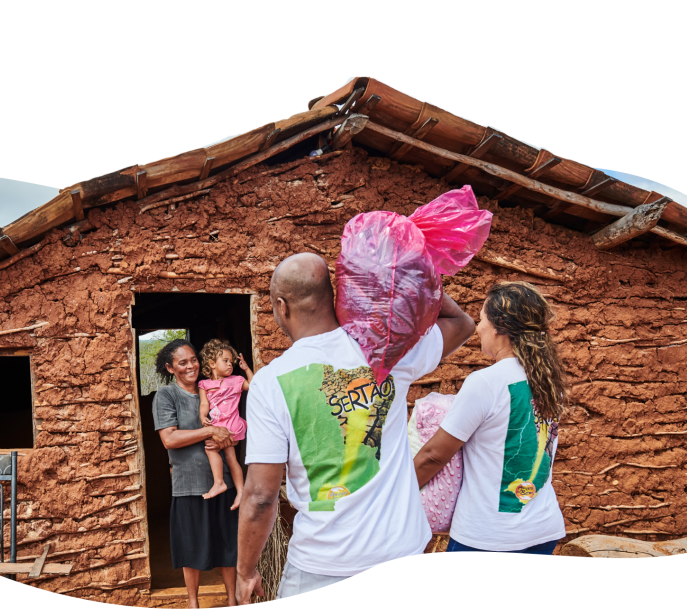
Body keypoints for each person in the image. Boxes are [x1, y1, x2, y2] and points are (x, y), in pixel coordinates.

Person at [236, 253, 476, 602]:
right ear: (332, 296)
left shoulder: (270, 383)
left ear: (281, 307)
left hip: (322, 565)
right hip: (402, 559)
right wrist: (415, 275)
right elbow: (461, 323)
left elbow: (260, 495)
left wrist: (246, 570)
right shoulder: (386, 350)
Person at [413, 281, 567, 554]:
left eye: (482, 319)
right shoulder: (548, 381)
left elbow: (434, 456)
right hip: (543, 529)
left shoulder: (486, 382)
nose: (479, 327)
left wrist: (393, 493)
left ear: (499, 326)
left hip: (489, 536)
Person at [151, 338, 239, 609]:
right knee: (191, 548)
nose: (191, 366)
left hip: (223, 481)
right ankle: (193, 605)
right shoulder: (167, 396)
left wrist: (228, 436)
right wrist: (209, 431)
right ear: (170, 368)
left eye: (193, 360)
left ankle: (232, 601)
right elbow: (169, 439)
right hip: (188, 484)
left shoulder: (210, 388)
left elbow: (230, 423)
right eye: (182, 362)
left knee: (227, 545)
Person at [197, 338, 253, 509]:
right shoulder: (204, 384)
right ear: (212, 364)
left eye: (231, 362)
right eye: (225, 361)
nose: (230, 365)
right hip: (219, 426)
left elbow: (254, 385)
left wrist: (246, 369)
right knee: (231, 458)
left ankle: (219, 482)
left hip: (231, 425)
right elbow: (204, 404)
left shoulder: (236, 380)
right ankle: (240, 491)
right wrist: (202, 416)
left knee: (210, 449)